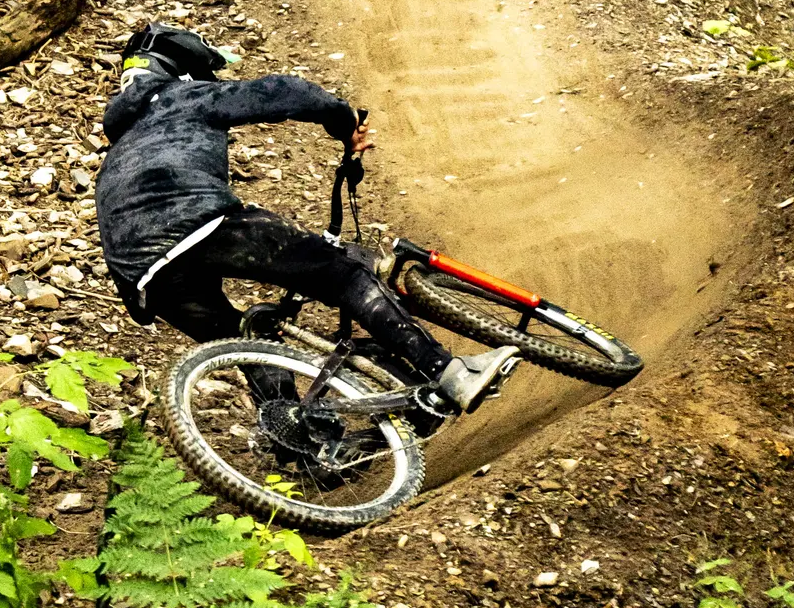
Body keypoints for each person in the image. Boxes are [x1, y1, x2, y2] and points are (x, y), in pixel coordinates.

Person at [94, 21, 517, 414]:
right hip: (194, 223)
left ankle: (304, 448)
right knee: (345, 276)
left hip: (145, 278)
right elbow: (285, 92)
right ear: (185, 70)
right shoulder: (177, 97)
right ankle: (451, 372)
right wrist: (344, 122)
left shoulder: (120, 148)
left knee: (252, 346)